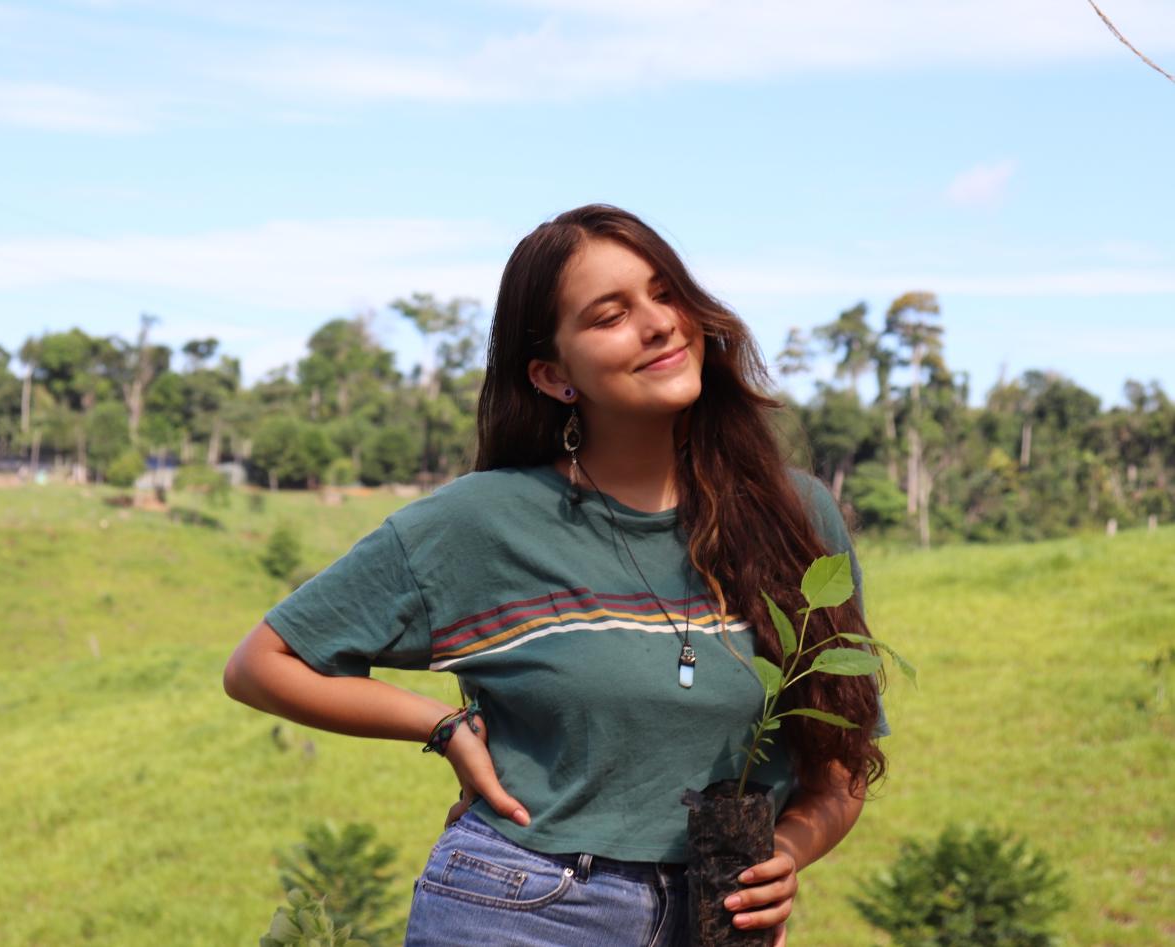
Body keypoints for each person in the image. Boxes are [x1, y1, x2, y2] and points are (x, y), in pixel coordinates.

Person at [224, 204, 891, 946]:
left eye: (666, 293)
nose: (659, 324)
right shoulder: (482, 520)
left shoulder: (794, 515)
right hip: (526, 908)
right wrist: (442, 726)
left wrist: (785, 853)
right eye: (611, 315)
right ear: (553, 374)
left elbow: (840, 762)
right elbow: (261, 664)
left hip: (718, 920)